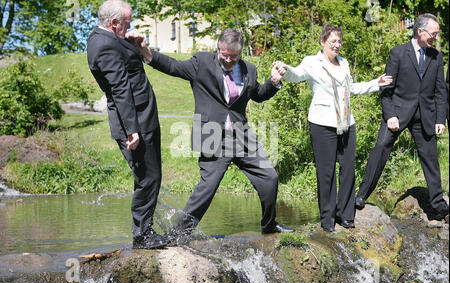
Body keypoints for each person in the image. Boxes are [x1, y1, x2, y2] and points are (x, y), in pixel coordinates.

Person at [126, 28, 295, 237]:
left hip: (241, 135)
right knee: (207, 189)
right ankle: (179, 234)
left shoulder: (249, 70)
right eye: (225, 55)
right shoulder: (202, 63)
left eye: (234, 56)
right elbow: (172, 66)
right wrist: (145, 51)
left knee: (269, 178)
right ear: (218, 49)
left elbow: (258, 94)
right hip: (212, 135)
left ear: (240, 53)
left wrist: (274, 82)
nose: (229, 60)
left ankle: (269, 225)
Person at [273, 24, 392, 232]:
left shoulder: (344, 63)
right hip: (322, 124)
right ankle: (327, 219)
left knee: (348, 170)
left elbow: (352, 88)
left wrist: (377, 83)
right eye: (332, 42)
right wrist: (284, 69)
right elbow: (296, 74)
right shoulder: (312, 62)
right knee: (326, 172)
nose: (337, 45)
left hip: (347, 122)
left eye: (339, 41)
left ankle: (346, 215)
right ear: (322, 42)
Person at [87, 0, 167, 249]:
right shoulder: (103, 46)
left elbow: (129, 67)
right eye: (127, 23)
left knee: (149, 176)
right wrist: (132, 130)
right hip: (135, 123)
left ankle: (145, 230)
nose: (130, 26)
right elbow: (120, 88)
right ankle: (143, 236)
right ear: (113, 23)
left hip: (142, 118)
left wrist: (135, 45)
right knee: (148, 177)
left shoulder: (109, 40)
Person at [355, 13, 449, 223]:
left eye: (437, 34)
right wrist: (390, 116)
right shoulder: (397, 53)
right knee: (380, 150)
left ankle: (439, 207)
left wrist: (440, 119)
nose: (436, 37)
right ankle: (360, 196)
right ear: (420, 31)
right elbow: (386, 89)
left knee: (431, 160)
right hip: (397, 114)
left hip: (425, 116)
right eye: (433, 33)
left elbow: (441, 92)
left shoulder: (436, 56)